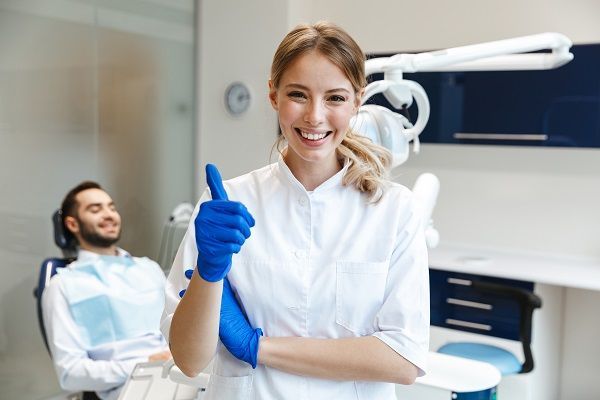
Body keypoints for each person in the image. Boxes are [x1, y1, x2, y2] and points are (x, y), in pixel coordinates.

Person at [162, 21, 429, 400]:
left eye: (335, 98)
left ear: (357, 101)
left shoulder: (393, 209)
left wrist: (257, 347)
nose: (314, 116)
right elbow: (189, 360)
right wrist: (208, 271)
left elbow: (403, 359)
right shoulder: (228, 203)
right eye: (298, 95)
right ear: (273, 96)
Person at [42, 181, 171, 400]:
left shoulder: (150, 268)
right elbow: (70, 373)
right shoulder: (63, 285)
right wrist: (143, 365)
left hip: (179, 374)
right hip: (128, 388)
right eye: (95, 209)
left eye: (111, 207)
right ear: (73, 224)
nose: (109, 214)